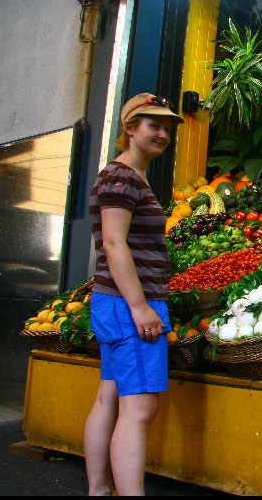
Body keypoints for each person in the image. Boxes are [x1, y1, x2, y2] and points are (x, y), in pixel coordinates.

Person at [83, 93, 183, 496]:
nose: (162, 133)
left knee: (110, 398)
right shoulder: (122, 176)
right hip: (129, 303)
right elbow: (113, 242)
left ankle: (99, 489)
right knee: (139, 409)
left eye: (167, 128)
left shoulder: (125, 176)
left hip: (115, 302)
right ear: (129, 128)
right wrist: (141, 307)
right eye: (152, 125)